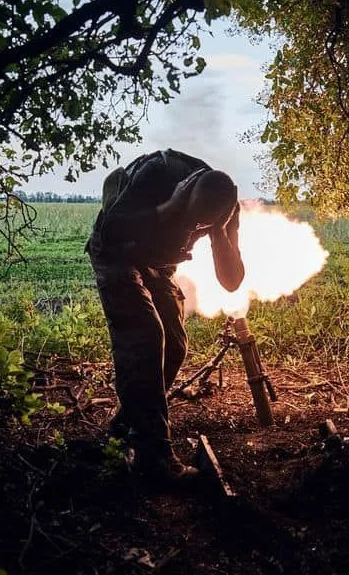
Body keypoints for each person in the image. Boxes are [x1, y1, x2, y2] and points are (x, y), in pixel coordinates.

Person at [86, 149, 245, 483]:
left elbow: (231, 281)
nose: (193, 229)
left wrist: (219, 235)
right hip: (116, 254)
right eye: (192, 220)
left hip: (158, 264)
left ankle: (127, 426)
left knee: (174, 346)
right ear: (185, 189)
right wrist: (170, 208)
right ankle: (154, 457)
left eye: (201, 225)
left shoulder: (226, 207)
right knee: (145, 336)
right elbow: (112, 228)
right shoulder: (156, 173)